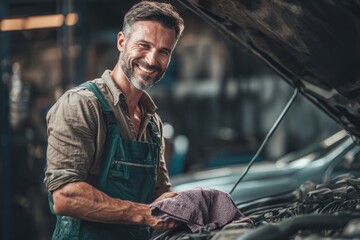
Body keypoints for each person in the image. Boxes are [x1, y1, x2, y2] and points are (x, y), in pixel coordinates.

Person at [44, 1, 184, 239]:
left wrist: (190, 203)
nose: (152, 60)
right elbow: (64, 196)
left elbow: (158, 194)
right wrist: (141, 214)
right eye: (144, 45)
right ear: (122, 42)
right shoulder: (82, 105)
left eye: (164, 52)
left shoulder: (153, 123)